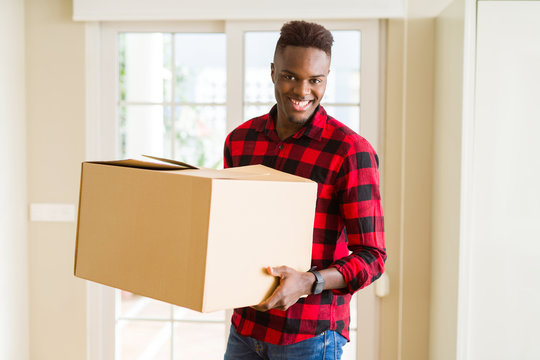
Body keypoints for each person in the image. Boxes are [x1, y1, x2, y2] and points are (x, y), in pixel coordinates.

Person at [223, 20, 386, 359]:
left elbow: (373, 258)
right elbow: (231, 230)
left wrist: (309, 281)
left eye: (315, 80)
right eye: (290, 76)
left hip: (311, 337)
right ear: (272, 72)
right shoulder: (240, 142)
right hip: (246, 327)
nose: (301, 91)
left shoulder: (349, 152)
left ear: (327, 78)